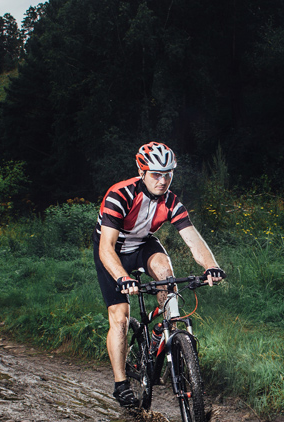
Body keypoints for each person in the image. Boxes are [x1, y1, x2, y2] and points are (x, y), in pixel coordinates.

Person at [93, 141, 224, 408]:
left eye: (168, 174)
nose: (162, 181)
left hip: (142, 245)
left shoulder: (171, 201)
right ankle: (121, 384)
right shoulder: (120, 195)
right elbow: (105, 247)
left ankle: (165, 338)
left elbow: (193, 240)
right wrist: (122, 277)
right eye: (156, 174)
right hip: (113, 251)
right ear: (142, 171)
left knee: (166, 274)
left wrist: (211, 265)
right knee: (120, 317)